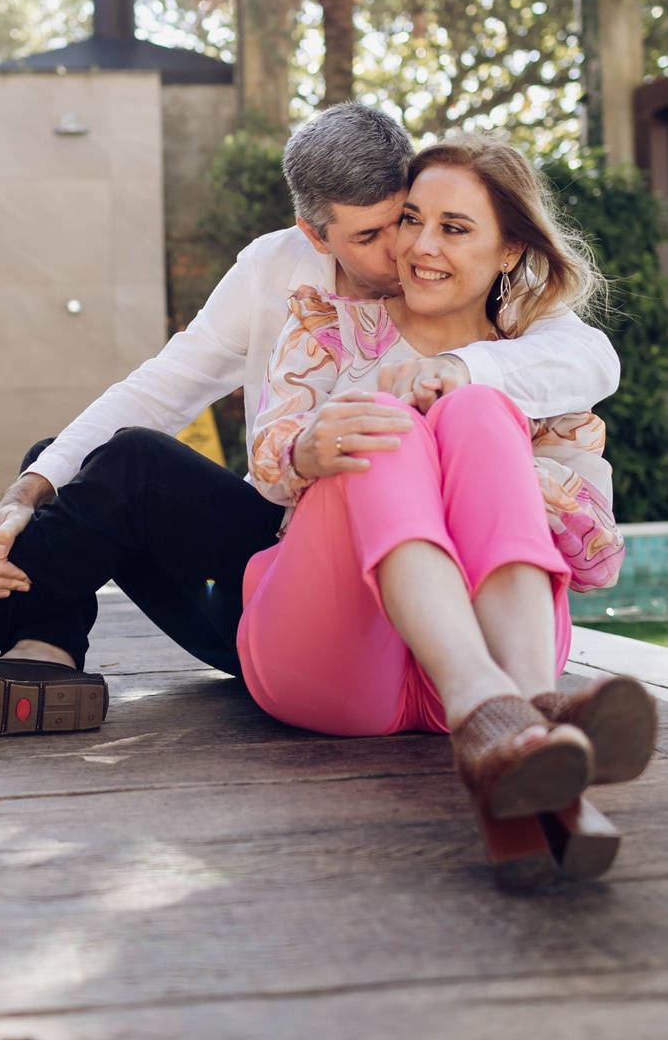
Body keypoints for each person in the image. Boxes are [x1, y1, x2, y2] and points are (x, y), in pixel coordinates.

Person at [0, 108, 621, 741]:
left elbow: (585, 360)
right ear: (313, 233)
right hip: (280, 572)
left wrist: (457, 371)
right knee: (69, 462)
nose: (408, 251)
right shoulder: (284, 280)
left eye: (417, 221)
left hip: (357, 597)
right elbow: (163, 388)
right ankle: (45, 656)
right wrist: (23, 493)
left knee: (122, 468)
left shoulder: (499, 307)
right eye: (379, 235)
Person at [238, 134, 655, 818]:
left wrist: (493, 464)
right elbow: (267, 470)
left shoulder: (536, 368)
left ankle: (521, 706)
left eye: (454, 228)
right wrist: (309, 450)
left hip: (505, 655)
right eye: (413, 219)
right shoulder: (328, 329)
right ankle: (488, 705)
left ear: (509, 250)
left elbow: (597, 561)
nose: (421, 246)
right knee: (384, 418)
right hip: (333, 658)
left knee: (478, 411)